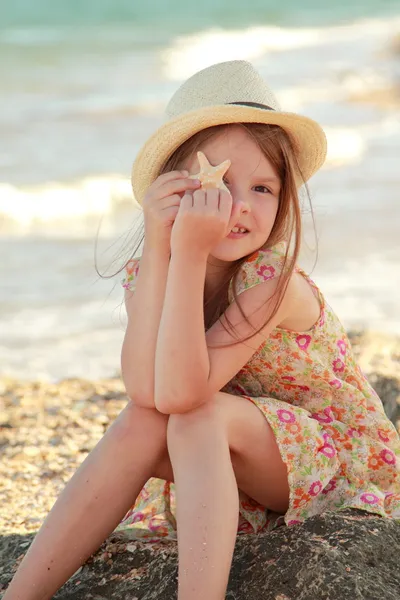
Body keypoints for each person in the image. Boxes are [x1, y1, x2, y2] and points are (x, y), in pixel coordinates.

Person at [4, 60, 400, 600]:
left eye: (263, 188)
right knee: (142, 422)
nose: (239, 206)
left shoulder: (274, 281)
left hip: (329, 460)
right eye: (220, 183)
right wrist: (163, 244)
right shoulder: (153, 266)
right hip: (230, 455)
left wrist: (189, 251)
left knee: (195, 415)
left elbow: (187, 394)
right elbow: (148, 393)